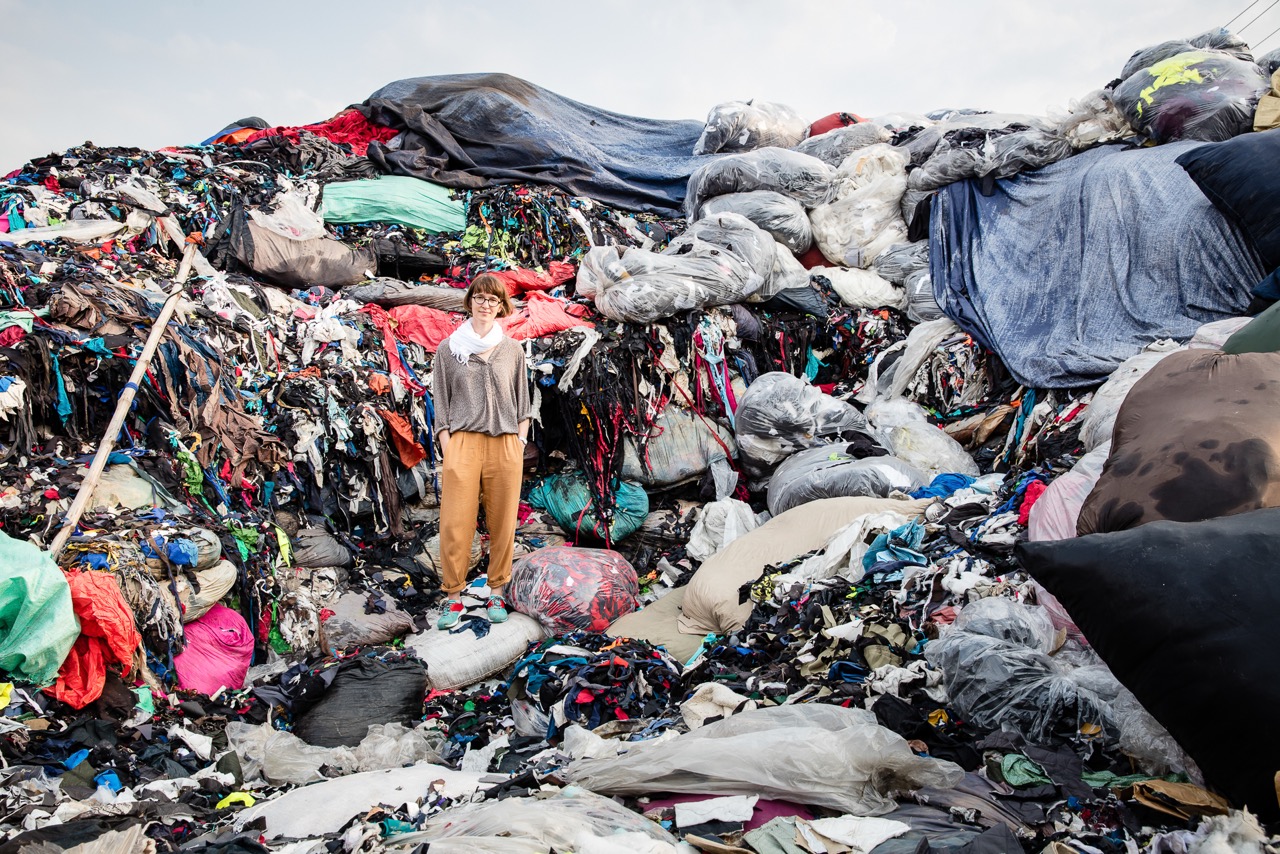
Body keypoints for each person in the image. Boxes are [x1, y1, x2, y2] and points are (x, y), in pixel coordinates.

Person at [430, 273, 531, 630]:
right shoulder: (449, 349)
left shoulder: (512, 350)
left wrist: (519, 441)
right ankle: (453, 595)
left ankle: (497, 590)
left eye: (493, 299)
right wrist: (448, 445)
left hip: (505, 443)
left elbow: (524, 402)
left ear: (501, 306)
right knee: (455, 522)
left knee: (503, 521)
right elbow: (440, 402)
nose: (485, 304)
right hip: (463, 443)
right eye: (480, 297)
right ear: (469, 301)